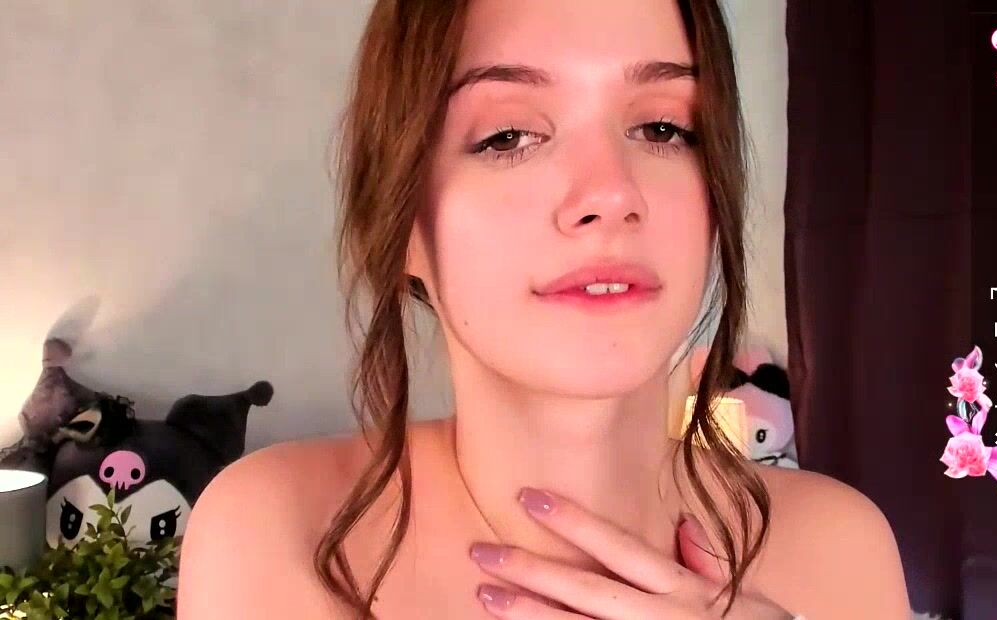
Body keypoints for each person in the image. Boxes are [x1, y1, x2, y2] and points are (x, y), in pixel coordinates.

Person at [178, 0, 912, 618]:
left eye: (662, 128)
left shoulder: (837, 549)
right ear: (400, 224)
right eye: (508, 136)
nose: (611, 194)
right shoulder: (280, 531)